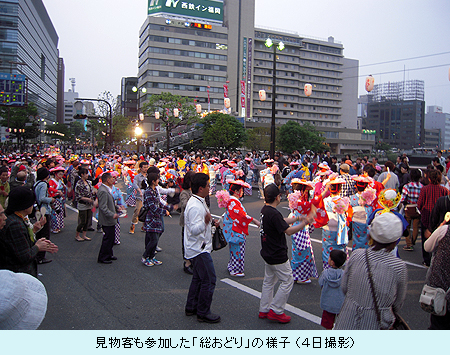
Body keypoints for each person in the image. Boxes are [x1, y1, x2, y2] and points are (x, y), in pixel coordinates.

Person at [334, 213, 407, 330]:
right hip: (377, 322)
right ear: (395, 240)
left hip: (348, 317)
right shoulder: (398, 266)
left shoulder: (357, 255)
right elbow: (398, 303)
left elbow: (344, 287)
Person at [258, 184, 315, 324]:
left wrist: (297, 219)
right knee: (287, 280)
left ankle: (264, 308)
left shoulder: (265, 210)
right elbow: (288, 231)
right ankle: (276, 310)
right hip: (277, 254)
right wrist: (305, 223)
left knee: (269, 281)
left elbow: (281, 222)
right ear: (278, 197)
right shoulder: (274, 213)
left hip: (267, 251)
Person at [184, 173, 221, 323]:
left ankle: (191, 307)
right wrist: (206, 222)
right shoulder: (194, 205)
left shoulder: (199, 201)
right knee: (209, 279)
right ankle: (203, 312)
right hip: (198, 249)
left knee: (198, 278)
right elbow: (193, 229)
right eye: (207, 185)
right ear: (200, 188)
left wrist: (211, 223)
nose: (209, 187)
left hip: (199, 246)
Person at [0, 187, 57, 277]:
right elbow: (24, 256)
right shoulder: (15, 224)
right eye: (31, 202)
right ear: (24, 205)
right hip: (19, 275)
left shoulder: (15, 218)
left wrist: (34, 232)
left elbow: (20, 244)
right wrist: (38, 246)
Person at [223, 180, 260, 277]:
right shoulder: (233, 202)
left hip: (234, 229)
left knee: (234, 249)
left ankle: (232, 266)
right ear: (236, 191)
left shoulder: (232, 201)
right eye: (241, 190)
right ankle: (235, 269)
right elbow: (242, 216)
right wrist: (254, 220)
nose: (242, 192)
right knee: (237, 249)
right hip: (236, 229)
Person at [141, 172, 176, 267]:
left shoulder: (155, 190)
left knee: (155, 239)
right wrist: (164, 212)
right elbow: (152, 206)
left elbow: (158, 202)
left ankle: (152, 256)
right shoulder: (148, 191)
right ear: (153, 181)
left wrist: (167, 208)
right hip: (151, 218)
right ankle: (145, 257)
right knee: (153, 239)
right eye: (157, 179)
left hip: (156, 218)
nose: (159, 181)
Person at [418, 170, 449, 267]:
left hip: (426, 218)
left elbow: (419, 204)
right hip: (441, 220)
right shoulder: (444, 190)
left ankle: (426, 260)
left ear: (429, 178)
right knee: (440, 241)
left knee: (426, 240)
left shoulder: (424, 189)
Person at [424, 217, 450, 329]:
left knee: (438, 324)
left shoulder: (444, 230)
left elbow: (427, 247)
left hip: (441, 286)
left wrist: (438, 228)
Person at [319, 249, 346, 330]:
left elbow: (321, 283)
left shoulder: (325, 273)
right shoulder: (344, 274)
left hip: (327, 302)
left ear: (332, 262)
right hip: (340, 302)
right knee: (342, 321)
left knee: (328, 322)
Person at [97, 172, 119, 264]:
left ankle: (109, 254)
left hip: (110, 218)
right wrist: (112, 214)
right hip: (107, 219)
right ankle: (103, 256)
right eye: (112, 178)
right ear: (107, 180)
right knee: (107, 238)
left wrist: (117, 208)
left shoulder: (106, 189)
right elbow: (103, 207)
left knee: (111, 237)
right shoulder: (103, 190)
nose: (113, 180)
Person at [34, 167, 55, 265]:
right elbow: (42, 198)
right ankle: (41, 256)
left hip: (38, 209)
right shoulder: (43, 184)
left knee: (39, 233)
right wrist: (51, 200)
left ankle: (37, 254)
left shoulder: (36, 183)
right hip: (44, 210)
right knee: (44, 234)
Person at [400, 168, 423, 251]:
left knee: (407, 226)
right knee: (416, 226)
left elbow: (402, 199)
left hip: (409, 208)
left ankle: (409, 244)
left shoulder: (407, 186)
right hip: (418, 209)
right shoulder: (422, 186)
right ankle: (413, 241)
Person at [179, 170, 194, 274]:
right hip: (187, 220)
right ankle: (187, 262)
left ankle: (192, 260)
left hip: (195, 220)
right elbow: (185, 204)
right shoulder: (184, 192)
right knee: (186, 241)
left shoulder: (194, 190)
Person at [74, 167, 95, 242]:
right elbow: (78, 196)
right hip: (83, 204)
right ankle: (77, 235)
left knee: (87, 220)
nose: (87, 175)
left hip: (89, 204)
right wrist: (87, 199)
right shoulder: (79, 184)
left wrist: (93, 193)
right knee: (83, 221)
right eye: (86, 173)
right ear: (82, 174)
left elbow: (91, 191)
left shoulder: (88, 182)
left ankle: (84, 235)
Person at [129, 161, 149, 234]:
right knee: (138, 210)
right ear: (140, 168)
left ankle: (144, 225)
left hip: (147, 195)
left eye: (147, 167)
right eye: (144, 167)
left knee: (147, 210)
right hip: (140, 196)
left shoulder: (148, 175)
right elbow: (134, 184)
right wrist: (139, 190)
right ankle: (133, 225)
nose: (146, 169)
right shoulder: (137, 176)